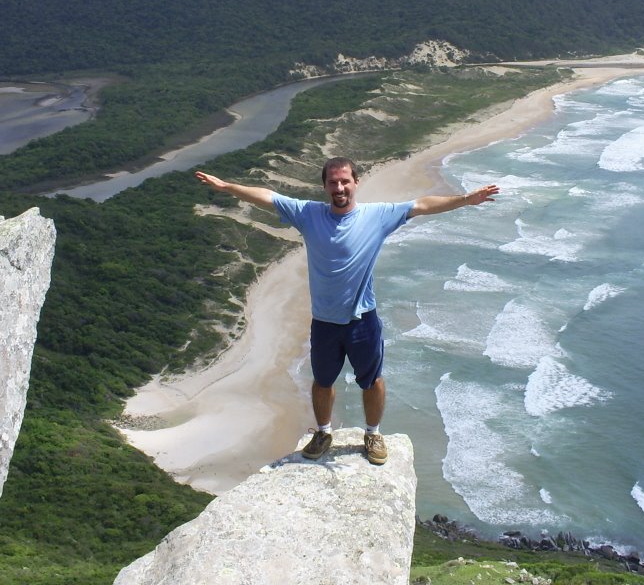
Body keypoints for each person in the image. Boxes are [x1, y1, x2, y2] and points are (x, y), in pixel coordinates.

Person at [195, 157, 498, 465]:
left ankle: (373, 434)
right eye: (332, 182)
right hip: (324, 322)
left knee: (372, 380)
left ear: (356, 182)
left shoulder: (377, 216)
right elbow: (269, 197)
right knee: (322, 381)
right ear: (325, 186)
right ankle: (324, 433)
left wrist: (465, 200)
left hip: (362, 319)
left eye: (344, 181)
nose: (339, 187)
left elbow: (420, 205)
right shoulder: (309, 214)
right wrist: (228, 187)